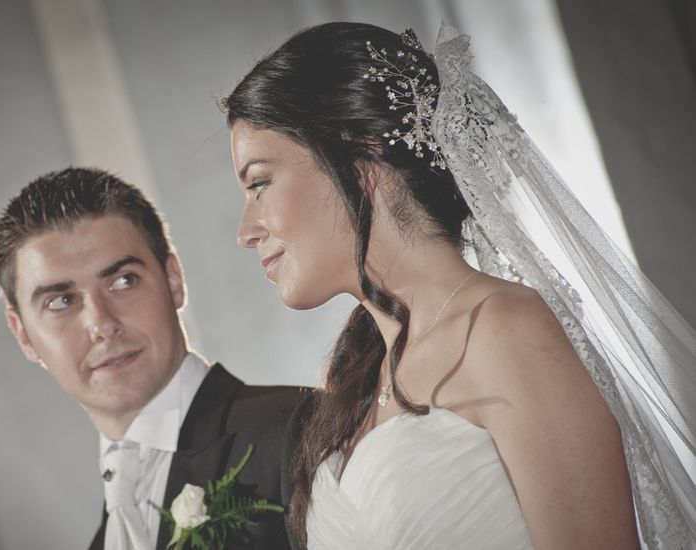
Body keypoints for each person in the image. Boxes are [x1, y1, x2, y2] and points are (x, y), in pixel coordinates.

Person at [221, 22, 696, 549]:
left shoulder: (505, 330)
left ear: (360, 158)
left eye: (260, 183)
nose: (245, 232)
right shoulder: (359, 378)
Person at [0, 167, 309, 550]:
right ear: (22, 334)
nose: (101, 324)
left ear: (174, 280)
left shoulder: (300, 430)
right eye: (61, 301)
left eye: (123, 280)